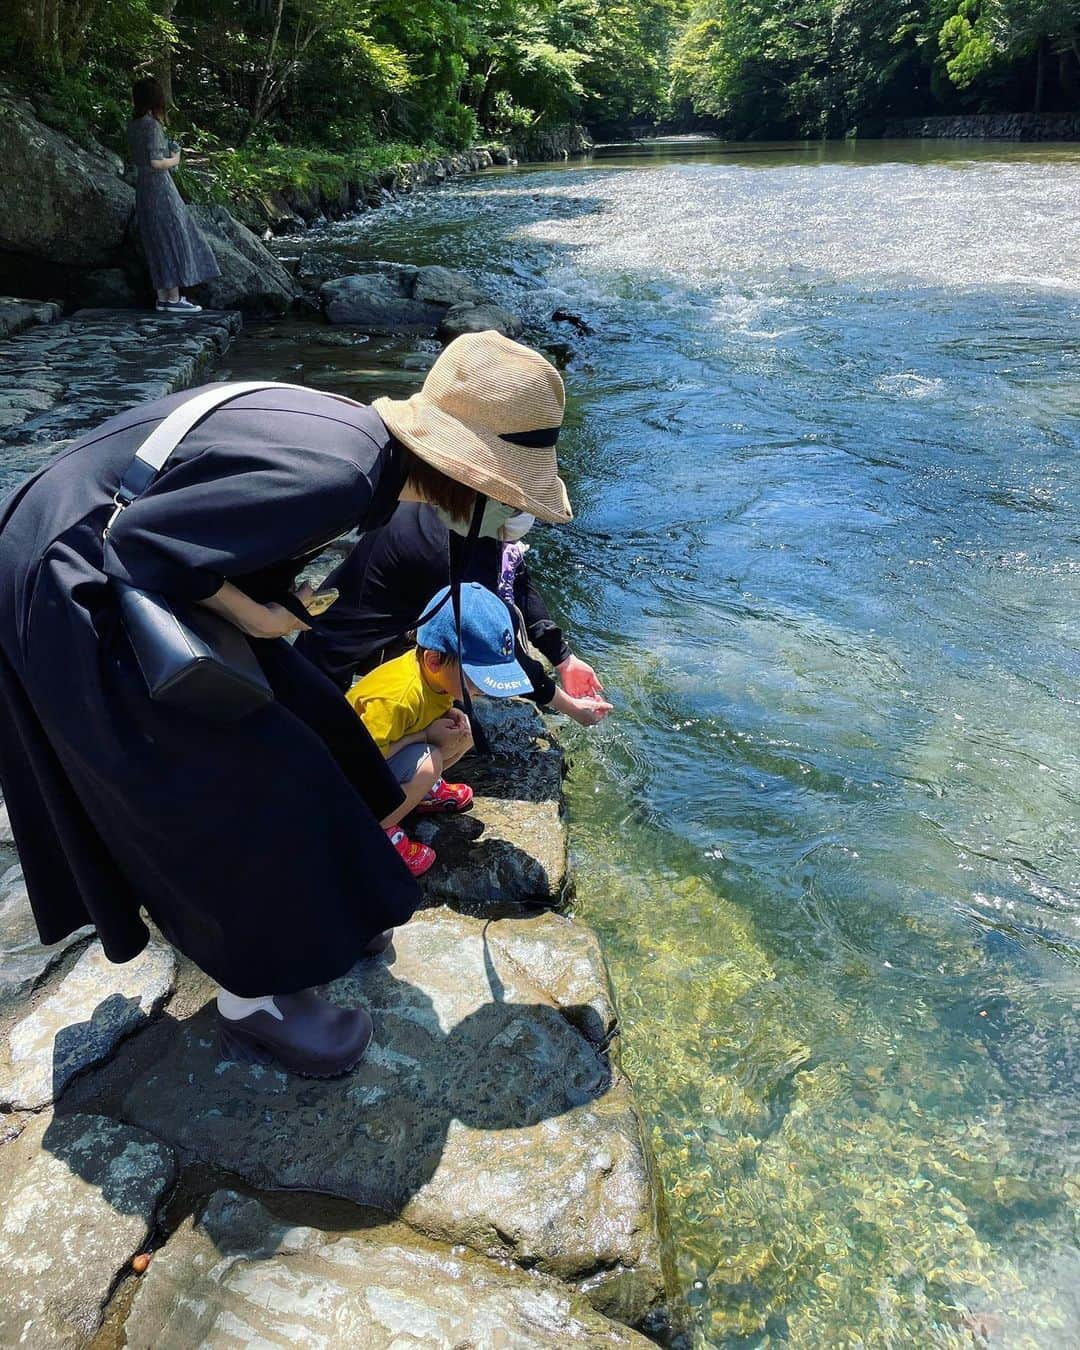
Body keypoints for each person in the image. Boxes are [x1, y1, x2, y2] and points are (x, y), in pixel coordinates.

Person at [0, 331, 571, 1077]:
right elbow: (141, 540)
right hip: (70, 578)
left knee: (321, 727)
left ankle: (339, 900)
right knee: (243, 774)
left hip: (104, 546)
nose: (504, 512)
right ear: (471, 472)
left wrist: (258, 600)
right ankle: (255, 998)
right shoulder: (341, 474)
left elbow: (201, 518)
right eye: (507, 491)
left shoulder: (363, 448)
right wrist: (258, 616)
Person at [296, 501, 611, 726]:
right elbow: (495, 650)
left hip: (339, 633)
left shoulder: (453, 505)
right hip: (333, 667)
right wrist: (570, 707)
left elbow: (516, 577)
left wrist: (564, 659)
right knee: (459, 692)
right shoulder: (449, 554)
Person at [349, 582, 533, 877]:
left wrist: (449, 711)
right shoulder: (398, 696)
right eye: (474, 679)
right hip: (350, 778)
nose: (482, 690)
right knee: (429, 761)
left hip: (389, 752)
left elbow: (432, 705)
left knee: (465, 731)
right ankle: (378, 828)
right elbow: (361, 762)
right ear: (434, 659)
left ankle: (419, 795)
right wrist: (425, 736)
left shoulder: (435, 676)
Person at [126, 77, 220, 314]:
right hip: (160, 189)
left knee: (156, 240)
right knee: (173, 236)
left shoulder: (134, 124)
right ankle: (174, 298)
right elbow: (157, 162)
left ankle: (164, 297)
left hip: (143, 189)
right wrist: (176, 158)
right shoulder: (151, 125)